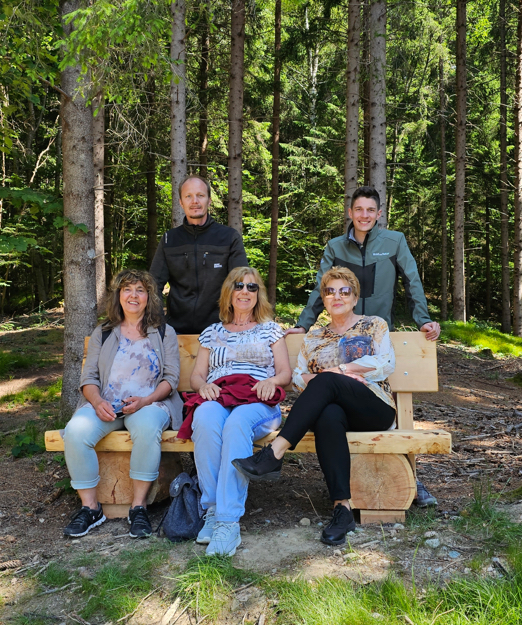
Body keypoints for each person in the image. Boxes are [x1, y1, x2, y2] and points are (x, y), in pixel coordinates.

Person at [287, 186, 440, 508]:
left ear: (379, 213)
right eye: (359, 209)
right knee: (337, 404)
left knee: (380, 401)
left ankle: (411, 477)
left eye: (371, 210)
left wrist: (423, 319)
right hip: (340, 338)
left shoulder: (394, 242)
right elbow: (321, 288)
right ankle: (349, 486)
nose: (364, 215)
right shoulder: (335, 246)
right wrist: (303, 324)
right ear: (350, 212)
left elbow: (412, 280)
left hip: (377, 336)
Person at [233, 267, 397, 546]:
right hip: (337, 413)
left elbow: (385, 363)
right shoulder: (314, 337)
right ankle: (342, 509)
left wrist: (340, 371)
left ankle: (275, 452)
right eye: (330, 291)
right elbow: (299, 379)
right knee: (328, 414)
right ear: (323, 298)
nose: (337, 296)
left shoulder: (373, 325)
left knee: (327, 380)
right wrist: (333, 378)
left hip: (374, 407)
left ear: (355, 298)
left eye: (344, 291)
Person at [61, 269, 183, 540]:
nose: (133, 295)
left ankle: (138, 508)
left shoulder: (164, 333)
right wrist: (97, 402)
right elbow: (88, 378)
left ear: (149, 297)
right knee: (76, 431)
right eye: (127, 289)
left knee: (147, 428)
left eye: (140, 290)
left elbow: (171, 379)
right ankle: (91, 508)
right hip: (106, 405)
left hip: (150, 403)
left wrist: (146, 400)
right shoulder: (104, 333)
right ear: (118, 295)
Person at [182, 266, 291, 557]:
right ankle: (213, 510)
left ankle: (228, 522)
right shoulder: (212, 332)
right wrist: (204, 386)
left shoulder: (270, 329)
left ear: (258, 294)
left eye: (252, 287)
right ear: (229, 293)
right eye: (239, 286)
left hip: (258, 401)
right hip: (220, 396)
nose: (245, 291)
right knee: (205, 419)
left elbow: (285, 373)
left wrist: (271, 382)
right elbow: (197, 376)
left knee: (236, 423)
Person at [149, 176, 249, 334]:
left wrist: (238, 325)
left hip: (221, 331)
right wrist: (160, 323)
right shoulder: (169, 240)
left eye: (200, 195)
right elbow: (153, 286)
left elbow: (243, 285)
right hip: (177, 332)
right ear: (181, 202)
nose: (194, 201)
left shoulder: (229, 237)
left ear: (209, 200)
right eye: (188, 196)